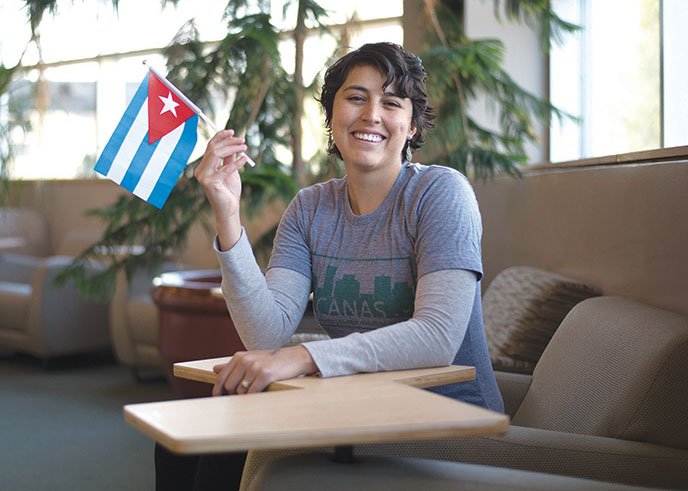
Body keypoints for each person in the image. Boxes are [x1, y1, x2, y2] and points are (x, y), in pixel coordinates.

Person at [155, 41, 503, 491]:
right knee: (184, 442)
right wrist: (227, 212)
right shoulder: (310, 208)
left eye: (391, 102)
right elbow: (266, 331)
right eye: (356, 97)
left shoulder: (440, 194)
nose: (371, 114)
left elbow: (437, 337)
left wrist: (305, 358)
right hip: (353, 410)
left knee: (231, 458)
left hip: (447, 421)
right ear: (332, 114)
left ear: (413, 125)